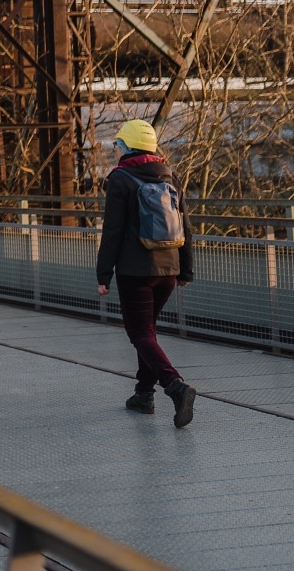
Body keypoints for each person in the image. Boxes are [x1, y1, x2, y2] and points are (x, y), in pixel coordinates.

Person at [97, 118, 198, 428]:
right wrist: (185, 269)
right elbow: (186, 227)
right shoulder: (170, 176)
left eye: (117, 145)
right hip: (168, 269)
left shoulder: (121, 179)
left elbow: (112, 230)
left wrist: (104, 275)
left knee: (140, 334)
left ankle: (175, 385)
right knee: (148, 335)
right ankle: (143, 395)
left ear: (127, 147)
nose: (116, 150)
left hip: (135, 271)